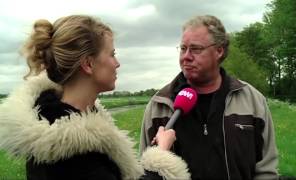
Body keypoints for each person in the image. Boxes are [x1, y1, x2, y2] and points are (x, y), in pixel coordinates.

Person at [0, 15, 190, 180]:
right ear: (88, 64)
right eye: (112, 54)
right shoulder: (72, 153)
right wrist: (161, 154)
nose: (117, 63)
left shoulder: (51, 123)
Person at [139, 15, 279, 180]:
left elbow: (266, 170)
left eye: (196, 49)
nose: (186, 56)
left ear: (219, 51)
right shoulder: (159, 104)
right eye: (183, 48)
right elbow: (144, 168)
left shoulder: (253, 100)